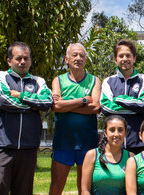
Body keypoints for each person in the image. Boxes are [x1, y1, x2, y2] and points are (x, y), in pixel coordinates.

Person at [0, 41, 53, 194]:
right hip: (2, 147)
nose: (23, 62)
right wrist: (33, 104)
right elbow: (3, 101)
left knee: (24, 191)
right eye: (18, 58)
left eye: (26, 58)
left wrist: (20, 96)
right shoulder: (0, 77)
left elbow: (47, 102)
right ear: (9, 61)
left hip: (28, 148)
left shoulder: (38, 81)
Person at [50, 43, 102, 194]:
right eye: (74, 55)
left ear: (86, 60)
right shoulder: (58, 80)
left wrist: (66, 104)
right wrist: (83, 100)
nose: (78, 58)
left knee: (84, 188)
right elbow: (56, 107)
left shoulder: (94, 80)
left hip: (87, 143)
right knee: (56, 187)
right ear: (67, 59)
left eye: (82, 56)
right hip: (63, 142)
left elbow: (96, 108)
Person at [100, 39, 144, 154]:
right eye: (121, 56)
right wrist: (134, 107)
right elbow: (106, 108)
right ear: (115, 60)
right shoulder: (108, 82)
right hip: (114, 142)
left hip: (137, 142)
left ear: (134, 58)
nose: (125, 59)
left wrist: (117, 99)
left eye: (128, 55)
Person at [81, 115, 131, 195]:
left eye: (120, 130)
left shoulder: (131, 157)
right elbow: (85, 190)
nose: (116, 134)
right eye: (112, 130)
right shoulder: (92, 155)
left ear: (125, 133)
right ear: (105, 133)